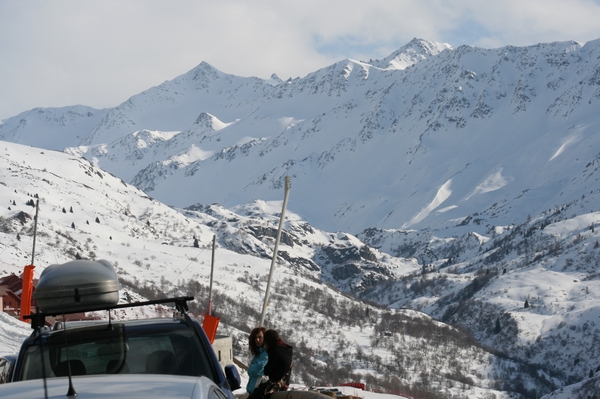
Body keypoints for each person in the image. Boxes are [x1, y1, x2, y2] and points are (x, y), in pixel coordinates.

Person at [249, 329, 293, 399]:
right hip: (284, 384)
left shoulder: (274, 351)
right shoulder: (286, 349)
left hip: (276, 385)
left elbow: (267, 371)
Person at [246, 327, 268, 395]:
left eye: (260, 337)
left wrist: (251, 369)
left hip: (259, 392)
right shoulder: (258, 354)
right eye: (255, 338)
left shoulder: (267, 353)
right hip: (252, 392)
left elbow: (259, 368)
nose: (257, 340)